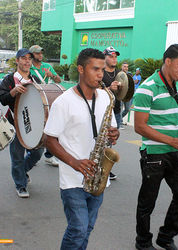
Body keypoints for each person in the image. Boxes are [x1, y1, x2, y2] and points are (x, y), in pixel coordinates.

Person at [44, 48, 119, 250]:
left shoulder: (106, 97)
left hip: (98, 174)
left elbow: (111, 128)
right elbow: (49, 140)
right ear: (81, 69)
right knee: (78, 228)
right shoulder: (64, 102)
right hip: (72, 178)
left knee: (87, 228)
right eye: (95, 69)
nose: (100, 75)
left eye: (102, 69)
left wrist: (114, 134)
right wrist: (74, 162)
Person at [133, 44, 178, 250]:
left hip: (176, 151)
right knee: (148, 202)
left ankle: (166, 237)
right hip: (154, 153)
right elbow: (139, 126)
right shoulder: (147, 88)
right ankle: (143, 242)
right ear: (168, 61)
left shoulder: (176, 85)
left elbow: (175, 116)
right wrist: (172, 141)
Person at [0, 48, 44, 198]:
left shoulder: (35, 78)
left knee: (37, 152)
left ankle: (22, 171)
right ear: (17, 61)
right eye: (23, 58)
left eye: (29, 59)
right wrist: (13, 92)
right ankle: (20, 185)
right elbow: (3, 99)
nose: (27, 61)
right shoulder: (9, 79)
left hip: (34, 123)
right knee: (17, 155)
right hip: (15, 122)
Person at [29, 44, 61, 167]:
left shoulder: (47, 67)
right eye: (37, 53)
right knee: (34, 126)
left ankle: (49, 155)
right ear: (32, 55)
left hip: (46, 101)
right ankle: (32, 152)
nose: (40, 55)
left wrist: (51, 75)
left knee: (51, 126)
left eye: (41, 53)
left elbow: (58, 80)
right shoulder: (29, 67)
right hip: (33, 101)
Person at [102, 46, 122, 180]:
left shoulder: (120, 74)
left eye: (115, 56)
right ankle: (101, 169)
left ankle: (105, 168)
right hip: (103, 112)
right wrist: (109, 88)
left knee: (111, 140)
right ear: (105, 57)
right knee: (101, 141)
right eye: (111, 56)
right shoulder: (99, 72)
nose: (114, 58)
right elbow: (94, 93)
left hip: (116, 111)